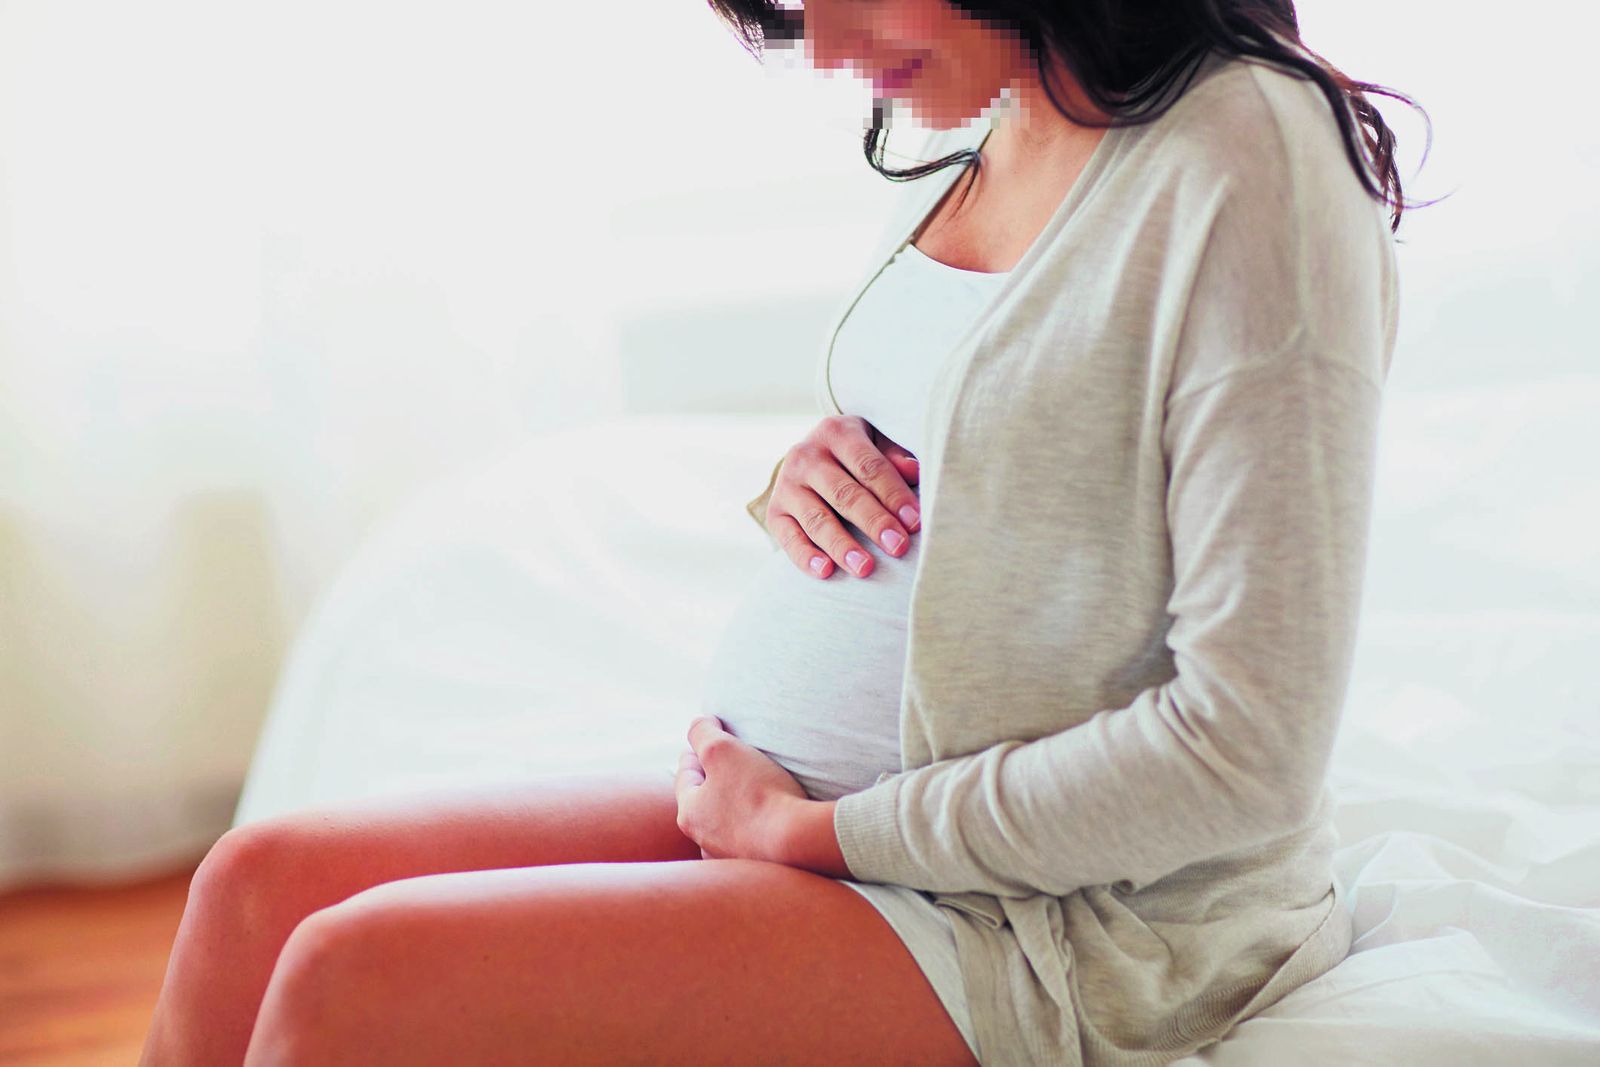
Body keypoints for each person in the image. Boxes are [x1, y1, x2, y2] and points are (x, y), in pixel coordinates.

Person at [140, 2, 1428, 1064]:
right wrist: (810, 472)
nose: (821, 49)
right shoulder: (1006, 112)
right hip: (830, 819)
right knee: (256, 888)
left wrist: (819, 837)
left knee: (351, 978)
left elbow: (1244, 752)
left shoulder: (1250, 152)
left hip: (1058, 923)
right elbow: (1024, 427)